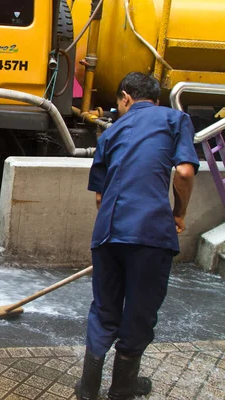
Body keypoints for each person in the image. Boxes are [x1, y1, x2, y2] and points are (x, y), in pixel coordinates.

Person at [76, 72, 199, 400]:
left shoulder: (110, 133)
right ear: (154, 100)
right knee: (140, 310)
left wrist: (112, 232)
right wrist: (179, 213)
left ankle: (88, 388)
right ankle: (122, 387)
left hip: (107, 234)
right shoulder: (175, 119)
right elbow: (185, 172)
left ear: (126, 98)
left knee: (104, 309)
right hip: (149, 233)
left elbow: (100, 198)